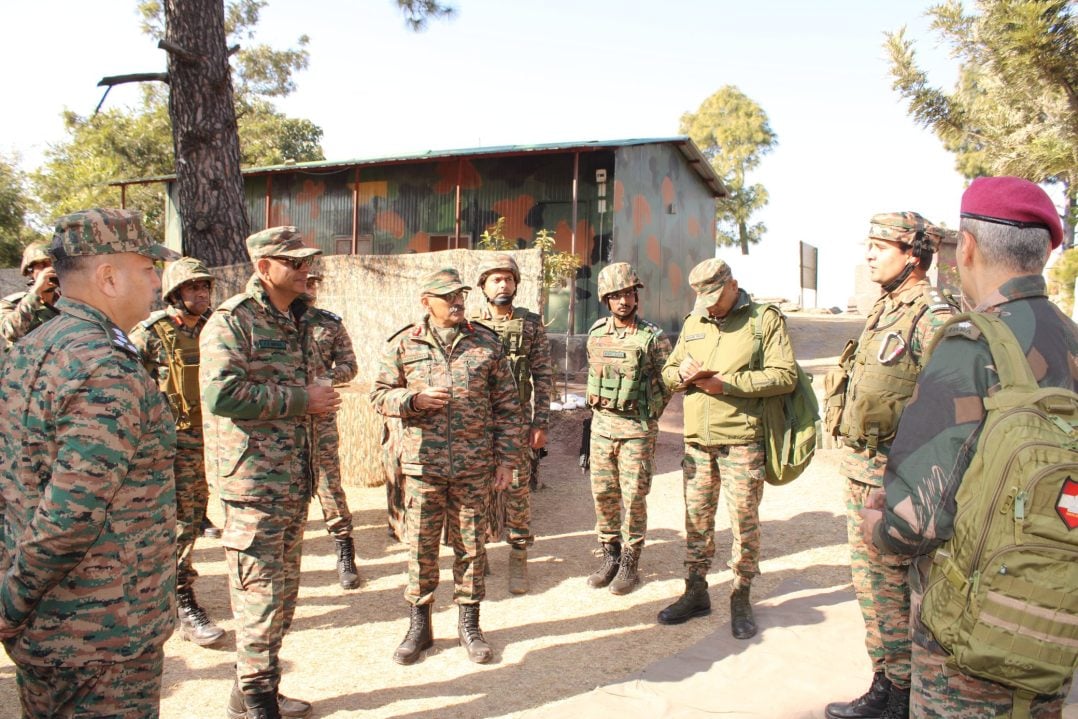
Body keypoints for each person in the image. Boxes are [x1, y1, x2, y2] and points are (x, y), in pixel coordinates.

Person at [863, 176, 1076, 719]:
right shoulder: (1073, 341)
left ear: (970, 247)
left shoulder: (972, 345)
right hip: (1052, 626)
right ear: (1044, 252)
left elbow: (917, 521)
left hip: (968, 640)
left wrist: (879, 530)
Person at [0, 208, 180, 717]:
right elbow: (71, 515)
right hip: (102, 635)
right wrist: (10, 606)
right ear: (108, 277)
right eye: (148, 267)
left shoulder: (29, 348)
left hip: (53, 631)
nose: (156, 279)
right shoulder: (104, 368)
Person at [200, 226, 340, 719]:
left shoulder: (295, 320)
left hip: (290, 481)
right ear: (263, 268)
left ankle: (254, 689)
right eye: (294, 262)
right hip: (253, 484)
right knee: (258, 599)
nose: (305, 270)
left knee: (282, 597)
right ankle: (259, 702)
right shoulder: (232, 322)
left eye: (306, 262)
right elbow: (221, 394)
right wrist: (304, 399)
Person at [824, 213, 957, 719]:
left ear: (914, 254)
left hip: (896, 480)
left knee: (898, 590)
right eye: (870, 245)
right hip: (864, 474)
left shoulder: (932, 315)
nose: (870, 255)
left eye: (881, 246)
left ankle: (903, 694)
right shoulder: (886, 308)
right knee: (872, 587)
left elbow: (951, 407)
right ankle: (886, 681)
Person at [370, 267, 523, 666]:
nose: (457, 302)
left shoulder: (486, 344)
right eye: (447, 296)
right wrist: (412, 401)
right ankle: (419, 627)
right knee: (420, 547)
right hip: (424, 466)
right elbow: (379, 396)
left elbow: (509, 407)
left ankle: (469, 625)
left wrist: (507, 460)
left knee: (471, 548)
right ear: (427, 303)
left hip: (474, 467)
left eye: (460, 295)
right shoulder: (404, 344)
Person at [657, 258, 796, 638]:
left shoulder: (764, 320)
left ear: (733, 285)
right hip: (699, 443)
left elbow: (785, 375)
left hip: (742, 441)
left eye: (717, 297)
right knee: (696, 520)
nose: (712, 306)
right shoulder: (694, 322)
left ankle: (740, 594)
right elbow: (668, 373)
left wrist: (728, 384)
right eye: (705, 300)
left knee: (743, 521)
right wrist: (680, 374)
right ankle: (697, 591)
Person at [130, 256, 226, 648]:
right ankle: (182, 600)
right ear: (174, 293)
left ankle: (167, 594)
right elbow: (124, 385)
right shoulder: (150, 333)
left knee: (190, 521)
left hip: (211, 441)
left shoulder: (215, 329)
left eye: (205, 287)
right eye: (192, 288)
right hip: (165, 445)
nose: (201, 294)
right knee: (176, 524)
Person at [585, 262, 673, 595]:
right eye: (616, 296)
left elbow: (668, 382)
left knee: (634, 497)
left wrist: (649, 414)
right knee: (604, 495)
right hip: (602, 427)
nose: (623, 301)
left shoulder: (653, 336)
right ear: (606, 299)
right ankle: (610, 556)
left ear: (636, 296)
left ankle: (630, 563)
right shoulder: (596, 334)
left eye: (628, 294)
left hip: (637, 428)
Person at [469, 253, 552, 595]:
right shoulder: (469, 324)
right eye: (496, 279)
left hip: (516, 421)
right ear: (484, 286)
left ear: (517, 284)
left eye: (509, 279)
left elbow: (543, 374)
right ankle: (479, 553)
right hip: (474, 423)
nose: (503, 284)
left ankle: (519, 556)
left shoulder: (530, 323)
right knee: (477, 488)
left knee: (517, 489)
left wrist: (541, 421)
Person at [303, 257, 361, 590]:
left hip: (321, 418)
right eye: (306, 281)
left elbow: (351, 366)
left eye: (314, 283)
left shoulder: (329, 325)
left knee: (329, 485)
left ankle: (344, 552)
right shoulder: (272, 323)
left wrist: (324, 378)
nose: (310, 288)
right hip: (280, 422)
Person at [0, 241, 62, 344]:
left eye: (54, 264)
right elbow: (11, 332)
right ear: (30, 270)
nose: (50, 269)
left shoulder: (67, 302)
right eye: (43, 265)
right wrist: (36, 292)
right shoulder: (11, 303)